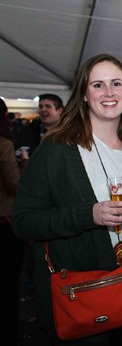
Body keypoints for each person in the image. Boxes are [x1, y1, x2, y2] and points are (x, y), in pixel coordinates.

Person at [12, 53, 122, 346]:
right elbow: (23, 222)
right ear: (84, 95)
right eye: (97, 85)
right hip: (82, 295)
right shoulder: (57, 149)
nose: (109, 93)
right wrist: (89, 215)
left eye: (115, 83)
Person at [0, 97, 28, 345]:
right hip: (4, 219)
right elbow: (14, 184)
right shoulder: (4, 145)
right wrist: (25, 165)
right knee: (8, 281)